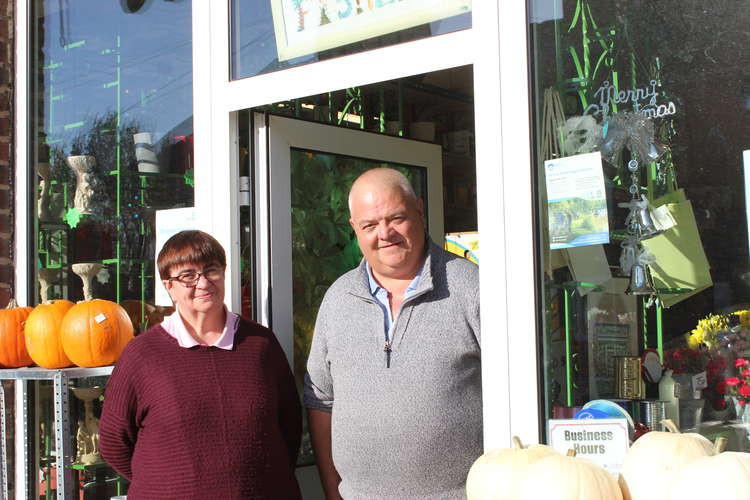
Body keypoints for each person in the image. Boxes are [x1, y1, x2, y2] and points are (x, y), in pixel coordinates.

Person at [304, 168, 482, 500]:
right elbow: (320, 400)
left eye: (396, 218)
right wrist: (333, 492)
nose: (384, 234)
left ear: (420, 210)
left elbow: (516, 395)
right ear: (354, 229)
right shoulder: (338, 298)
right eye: (369, 225)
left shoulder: (470, 287)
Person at [100, 230, 302, 500]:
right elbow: (115, 443)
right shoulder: (142, 355)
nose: (203, 282)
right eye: (188, 276)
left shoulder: (260, 345)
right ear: (168, 285)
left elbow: (289, 426)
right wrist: (165, 481)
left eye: (212, 270)